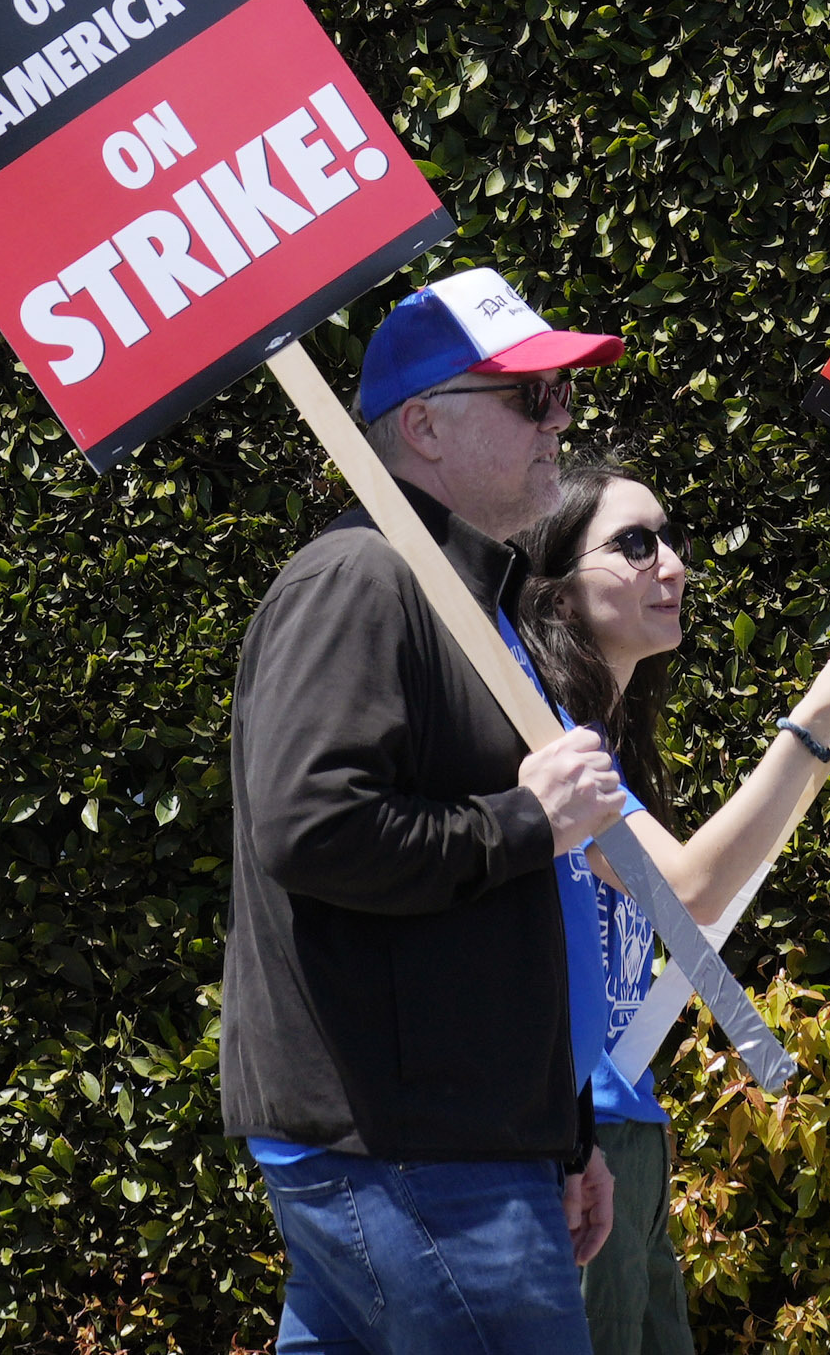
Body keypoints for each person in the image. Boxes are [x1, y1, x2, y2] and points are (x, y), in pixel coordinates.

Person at [223, 268, 638, 1355]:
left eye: (559, 395)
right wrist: (522, 822)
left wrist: (561, 1130)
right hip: (412, 1153)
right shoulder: (361, 577)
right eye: (527, 398)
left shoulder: (462, 598)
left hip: (451, 1147)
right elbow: (313, 826)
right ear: (423, 426)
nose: (561, 422)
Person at [512, 461, 830, 1355]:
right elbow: (689, 888)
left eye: (673, 540)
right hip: (575, 1144)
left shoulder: (605, 744)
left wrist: (826, 734)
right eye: (634, 543)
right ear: (556, 587)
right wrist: (814, 724)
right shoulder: (540, 739)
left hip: (625, 1135)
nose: (673, 563)